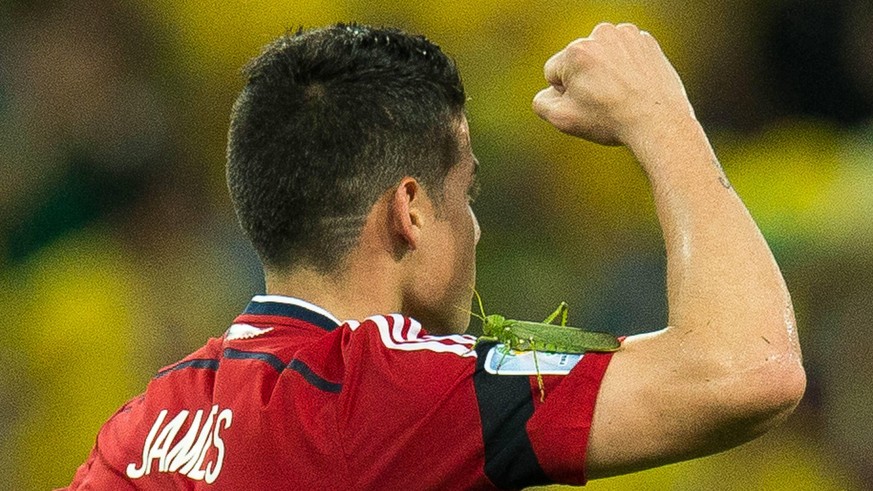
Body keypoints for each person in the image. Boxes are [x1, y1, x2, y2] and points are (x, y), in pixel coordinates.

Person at [63, 22, 805, 489]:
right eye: (467, 193)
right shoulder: (383, 388)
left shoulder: (144, 423)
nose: (475, 229)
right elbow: (748, 369)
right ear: (410, 210)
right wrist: (661, 115)